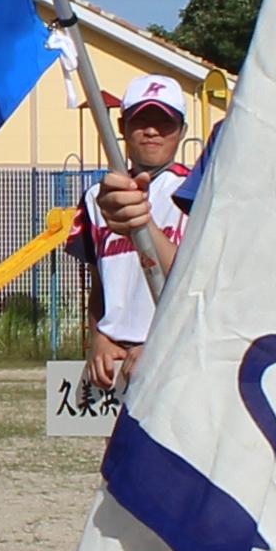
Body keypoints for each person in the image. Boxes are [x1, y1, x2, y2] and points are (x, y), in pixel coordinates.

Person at [78, 79, 197, 395]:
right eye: (141, 121)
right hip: (115, 358)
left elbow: (200, 282)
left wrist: (158, 343)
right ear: (122, 125)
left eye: (164, 123)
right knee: (115, 445)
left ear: (182, 131)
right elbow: (99, 284)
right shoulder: (96, 197)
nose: (152, 131)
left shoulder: (198, 192)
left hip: (174, 351)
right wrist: (99, 338)